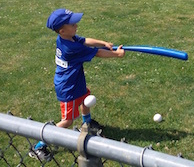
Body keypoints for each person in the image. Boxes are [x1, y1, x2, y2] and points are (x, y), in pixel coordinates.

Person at [29, 8, 125, 161]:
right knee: (67, 121)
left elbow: (85, 40)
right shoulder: (71, 48)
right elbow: (97, 53)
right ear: (62, 30)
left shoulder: (68, 38)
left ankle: (87, 123)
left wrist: (104, 43)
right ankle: (39, 145)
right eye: (73, 24)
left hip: (75, 81)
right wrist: (117, 54)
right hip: (68, 87)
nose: (76, 25)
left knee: (85, 99)